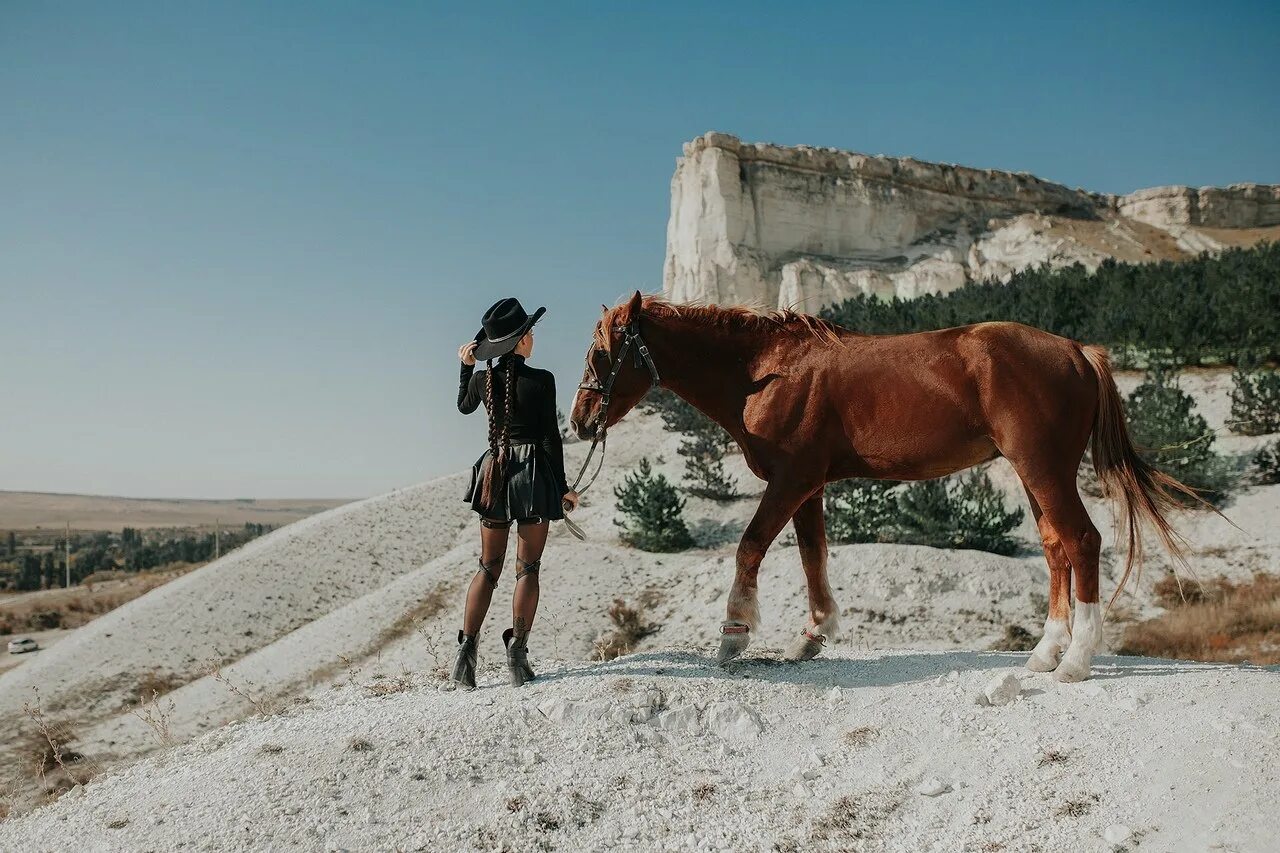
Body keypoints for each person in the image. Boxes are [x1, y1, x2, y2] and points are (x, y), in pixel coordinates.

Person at [453, 297, 579, 688]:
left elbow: (462, 406)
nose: (534, 338)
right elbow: (549, 439)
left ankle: (465, 656)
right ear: (521, 340)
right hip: (533, 476)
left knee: (488, 568)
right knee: (528, 569)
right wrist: (563, 488)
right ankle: (517, 654)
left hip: (494, 472)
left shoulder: (481, 379)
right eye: (530, 333)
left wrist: (465, 367)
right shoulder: (542, 380)